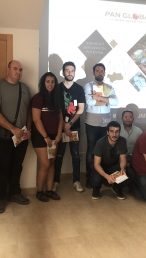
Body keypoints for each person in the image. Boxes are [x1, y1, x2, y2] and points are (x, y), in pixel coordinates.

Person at [0, 60, 32, 213]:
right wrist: (13, 128)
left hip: (22, 138)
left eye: (20, 69)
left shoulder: (25, 88)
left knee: (17, 167)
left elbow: (28, 112)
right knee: (2, 168)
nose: (18, 72)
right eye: (15, 69)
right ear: (8, 70)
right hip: (3, 137)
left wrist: (28, 129)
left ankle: (14, 193)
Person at [84, 63, 119, 188]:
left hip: (105, 124)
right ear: (93, 73)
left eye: (102, 71)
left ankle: (102, 177)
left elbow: (116, 101)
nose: (99, 72)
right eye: (97, 70)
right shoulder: (88, 86)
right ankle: (89, 178)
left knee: (104, 151)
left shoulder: (109, 87)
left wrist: (99, 99)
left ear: (104, 73)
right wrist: (106, 100)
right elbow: (89, 102)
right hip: (92, 124)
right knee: (91, 151)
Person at [53, 62, 86, 193]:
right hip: (59, 128)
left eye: (72, 70)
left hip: (75, 127)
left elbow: (81, 109)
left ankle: (76, 181)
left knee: (75, 155)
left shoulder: (79, 89)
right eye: (67, 70)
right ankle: (55, 181)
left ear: (75, 72)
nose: (70, 73)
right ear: (63, 72)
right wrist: (63, 125)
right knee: (59, 154)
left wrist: (70, 124)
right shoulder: (57, 88)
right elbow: (56, 109)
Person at [31, 72, 63, 202]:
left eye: (53, 82)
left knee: (51, 163)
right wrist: (45, 137)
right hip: (40, 136)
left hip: (54, 136)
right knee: (45, 164)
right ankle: (39, 191)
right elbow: (36, 119)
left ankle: (49, 190)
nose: (50, 84)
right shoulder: (38, 98)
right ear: (43, 83)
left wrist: (59, 135)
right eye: (48, 81)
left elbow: (60, 118)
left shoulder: (57, 98)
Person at [91, 121, 129, 200]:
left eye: (117, 132)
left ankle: (116, 187)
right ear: (107, 132)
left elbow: (123, 160)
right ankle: (96, 188)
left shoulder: (122, 141)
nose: (114, 135)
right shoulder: (100, 143)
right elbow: (96, 164)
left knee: (129, 173)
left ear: (119, 132)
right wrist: (107, 177)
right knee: (96, 178)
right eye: (111, 131)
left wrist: (122, 170)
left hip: (114, 166)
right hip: (101, 166)